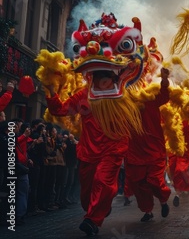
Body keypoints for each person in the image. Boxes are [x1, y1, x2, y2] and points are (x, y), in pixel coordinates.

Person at [44, 83, 129, 236]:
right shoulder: (84, 94)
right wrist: (51, 91)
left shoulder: (121, 94)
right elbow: (61, 110)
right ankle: (99, 207)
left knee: (102, 181)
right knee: (86, 195)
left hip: (112, 149)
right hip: (89, 151)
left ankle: (92, 220)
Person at [125, 67, 172, 222]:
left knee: (154, 180)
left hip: (154, 149)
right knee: (139, 184)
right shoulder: (125, 102)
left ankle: (163, 200)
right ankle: (148, 210)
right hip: (135, 151)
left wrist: (164, 79)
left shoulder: (150, 97)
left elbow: (164, 96)